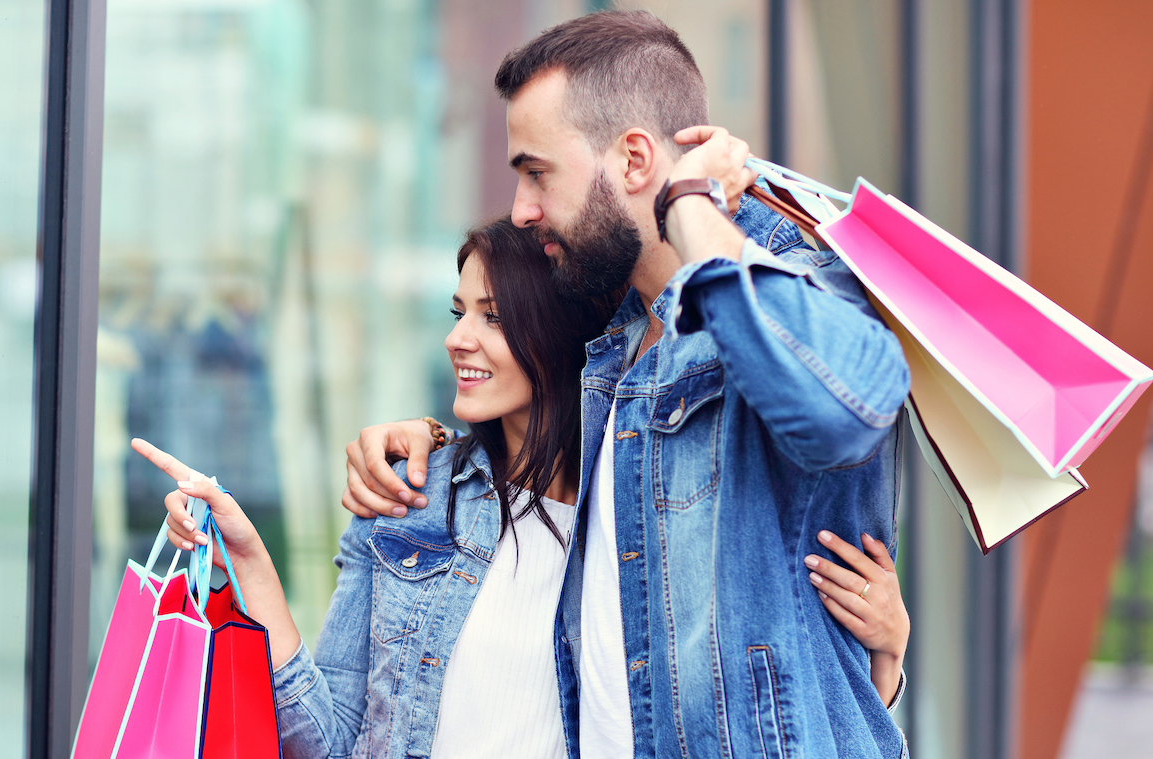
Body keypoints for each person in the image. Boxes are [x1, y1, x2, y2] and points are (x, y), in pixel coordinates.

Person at [341, 10, 912, 759]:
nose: (522, 207)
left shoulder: (798, 282)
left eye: (537, 171)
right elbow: (523, 395)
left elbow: (852, 407)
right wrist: (436, 440)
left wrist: (692, 207)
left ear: (637, 160)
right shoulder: (611, 343)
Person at [134, 218, 909, 759]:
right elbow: (329, 740)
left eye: (494, 317)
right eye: (458, 311)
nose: (457, 338)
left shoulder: (644, 516)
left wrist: (884, 658)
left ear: (558, 333)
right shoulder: (412, 502)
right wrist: (251, 561)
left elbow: (733, 712)